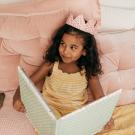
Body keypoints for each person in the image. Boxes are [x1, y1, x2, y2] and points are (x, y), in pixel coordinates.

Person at [14, 14, 113, 127]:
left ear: (84, 51)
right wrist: (17, 97)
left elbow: (99, 96)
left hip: (75, 113)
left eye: (73, 47)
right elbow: (27, 84)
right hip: (50, 109)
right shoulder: (51, 64)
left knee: (86, 126)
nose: (65, 52)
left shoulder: (88, 71)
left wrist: (106, 115)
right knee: (52, 126)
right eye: (62, 44)